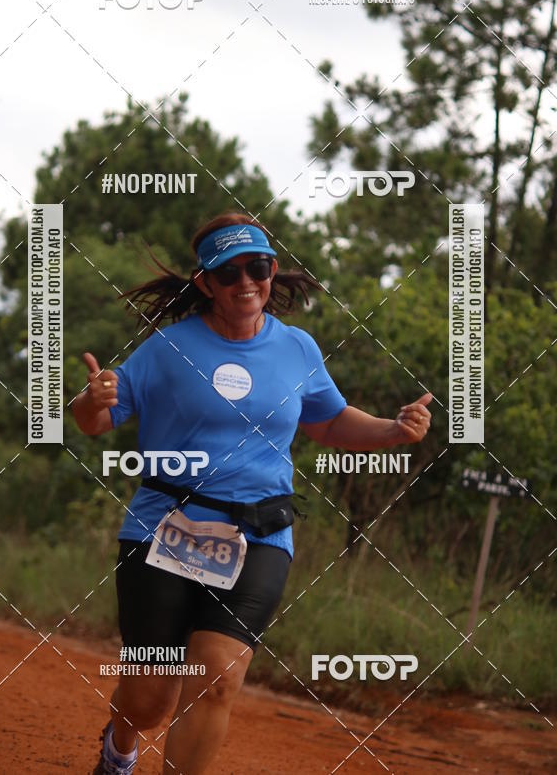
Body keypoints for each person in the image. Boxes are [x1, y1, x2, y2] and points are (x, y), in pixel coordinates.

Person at [72, 212, 432, 775]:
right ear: (205, 283)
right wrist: (93, 401)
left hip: (260, 534)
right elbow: (94, 420)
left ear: (273, 271)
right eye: (230, 271)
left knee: (216, 681)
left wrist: (392, 429)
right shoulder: (168, 348)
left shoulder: (298, 349)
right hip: (163, 530)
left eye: (258, 267)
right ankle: (119, 747)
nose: (246, 281)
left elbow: (331, 423)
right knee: (150, 698)